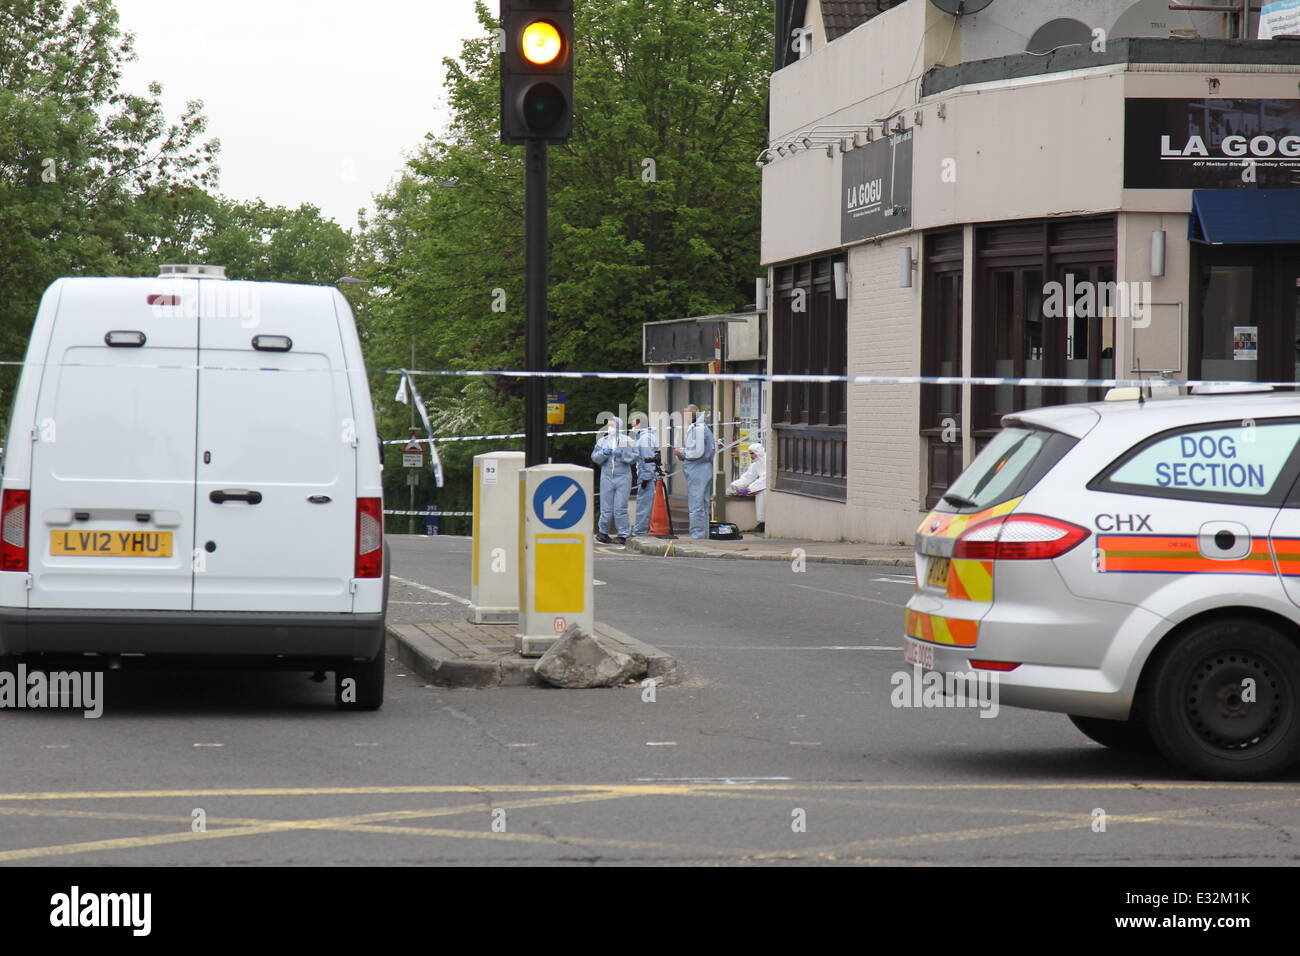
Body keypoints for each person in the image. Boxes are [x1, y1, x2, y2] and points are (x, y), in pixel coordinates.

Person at [591, 416, 636, 544]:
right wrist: (603, 454)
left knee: (620, 507)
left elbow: (634, 458)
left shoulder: (626, 440)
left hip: (623, 477)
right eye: (609, 425)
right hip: (606, 476)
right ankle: (603, 532)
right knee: (606, 507)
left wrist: (623, 455)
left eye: (613, 425)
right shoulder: (602, 441)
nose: (610, 428)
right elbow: (594, 457)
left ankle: (623, 534)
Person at [674, 404, 716, 540]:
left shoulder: (698, 430)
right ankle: (703, 535)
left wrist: (681, 451)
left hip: (698, 470)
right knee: (702, 505)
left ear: (691, 415)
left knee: (696, 505)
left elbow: (696, 452)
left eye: (685, 414)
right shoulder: (701, 429)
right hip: (702, 469)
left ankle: (697, 536)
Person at [629, 413, 659, 538]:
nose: (631, 425)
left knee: (643, 505)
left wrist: (646, 476)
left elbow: (647, 459)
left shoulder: (645, 438)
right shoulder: (644, 437)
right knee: (643, 504)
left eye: (633, 423)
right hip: (646, 474)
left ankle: (639, 532)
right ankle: (639, 530)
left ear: (639, 423)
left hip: (646, 475)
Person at [727, 442, 767, 534]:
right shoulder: (756, 463)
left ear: (758, 452)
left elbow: (765, 478)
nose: (751, 456)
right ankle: (761, 522)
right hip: (762, 486)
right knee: (761, 494)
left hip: (767, 488)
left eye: (752, 453)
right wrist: (735, 485)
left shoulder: (766, 461)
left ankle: (763, 523)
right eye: (750, 453)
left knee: (762, 494)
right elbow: (748, 477)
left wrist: (750, 489)